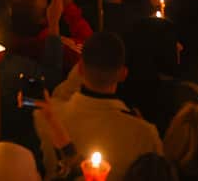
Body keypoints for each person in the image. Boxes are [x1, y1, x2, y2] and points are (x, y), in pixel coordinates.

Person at [34, 32, 162, 179]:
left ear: (80, 69)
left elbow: (59, 95)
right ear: (123, 74)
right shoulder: (145, 135)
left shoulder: (46, 118)